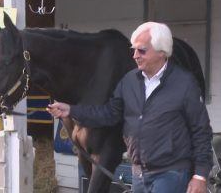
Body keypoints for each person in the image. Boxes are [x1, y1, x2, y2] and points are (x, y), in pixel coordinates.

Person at [47, 22, 213, 193]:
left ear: (162, 52)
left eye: (141, 50)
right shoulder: (129, 81)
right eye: (133, 50)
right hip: (140, 175)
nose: (135, 56)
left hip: (170, 174)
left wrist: (200, 176)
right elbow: (110, 114)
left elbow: (200, 131)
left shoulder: (184, 84)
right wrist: (71, 110)